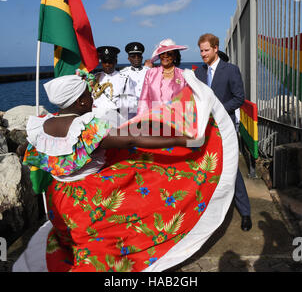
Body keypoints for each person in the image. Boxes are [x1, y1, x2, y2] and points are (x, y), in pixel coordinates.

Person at [13, 68, 239, 272]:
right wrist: (183, 140)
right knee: (130, 217)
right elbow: (131, 139)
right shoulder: (85, 129)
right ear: (81, 102)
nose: (93, 97)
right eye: (89, 94)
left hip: (59, 198)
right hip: (88, 199)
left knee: (73, 237)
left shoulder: (40, 126)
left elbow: (25, 148)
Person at [194, 33, 252, 231]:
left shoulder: (231, 70)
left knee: (232, 169)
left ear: (216, 48)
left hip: (226, 128)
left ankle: (245, 213)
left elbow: (239, 98)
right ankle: (206, 213)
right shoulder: (198, 73)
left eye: (206, 50)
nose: (203, 54)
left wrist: (218, 110)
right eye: (201, 50)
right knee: (206, 169)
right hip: (206, 129)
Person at [137, 38, 188, 115]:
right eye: (162, 53)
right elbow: (144, 100)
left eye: (169, 53)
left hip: (176, 121)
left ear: (175, 56)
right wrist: (140, 120)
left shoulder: (184, 75)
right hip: (154, 121)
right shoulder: (150, 73)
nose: (165, 56)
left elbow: (187, 101)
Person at [93, 46, 136, 122]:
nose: (107, 64)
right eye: (104, 62)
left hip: (117, 118)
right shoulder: (95, 78)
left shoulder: (124, 79)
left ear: (115, 61)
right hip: (97, 118)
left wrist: (117, 107)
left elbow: (132, 101)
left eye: (110, 62)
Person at [119, 42, 151, 118]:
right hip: (130, 112)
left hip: (147, 110)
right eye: (133, 56)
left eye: (138, 56)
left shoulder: (150, 72)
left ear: (142, 57)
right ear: (129, 58)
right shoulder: (122, 73)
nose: (136, 58)